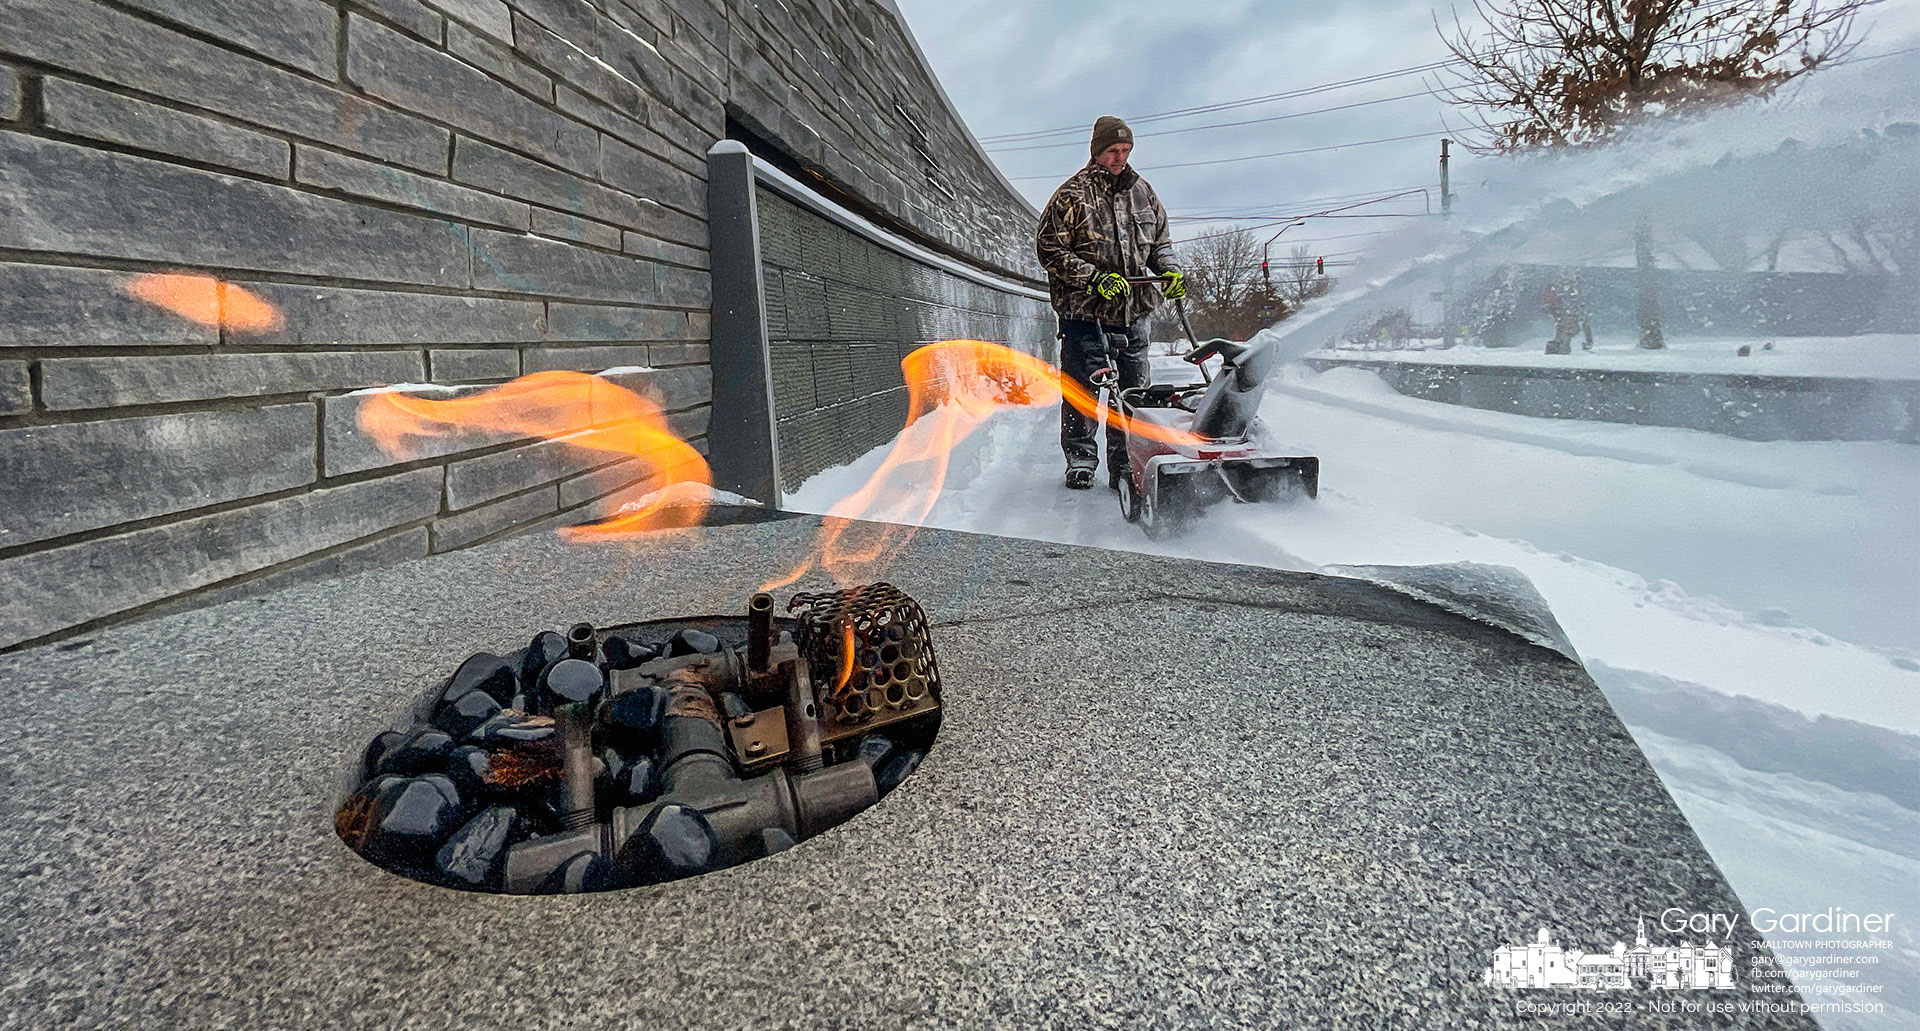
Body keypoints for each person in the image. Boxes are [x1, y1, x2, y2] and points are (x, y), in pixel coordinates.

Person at [1035, 116, 1185, 490]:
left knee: (1133, 394)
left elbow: (1159, 244)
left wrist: (1169, 270)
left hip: (1134, 313)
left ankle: (1124, 463)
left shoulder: (1144, 193)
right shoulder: (1072, 195)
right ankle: (1082, 459)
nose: (1120, 157)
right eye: (1113, 151)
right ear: (1097, 152)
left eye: (1126, 150)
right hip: (1085, 314)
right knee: (1083, 393)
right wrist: (1094, 279)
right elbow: (1049, 249)